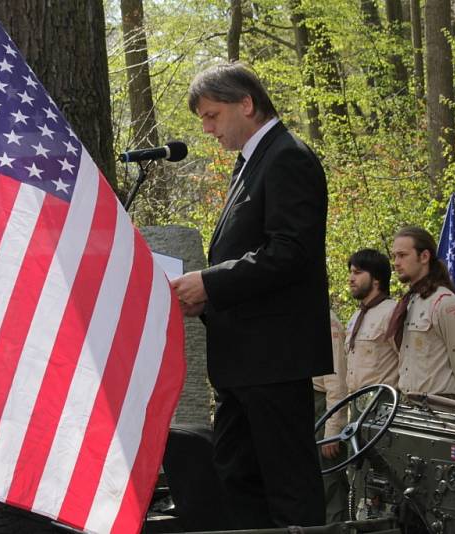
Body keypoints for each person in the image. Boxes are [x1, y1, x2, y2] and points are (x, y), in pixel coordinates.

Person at [171, 62, 332, 528]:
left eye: (212, 115)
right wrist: (207, 296)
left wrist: (212, 282)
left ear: (246, 103)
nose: (206, 128)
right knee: (236, 479)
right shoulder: (250, 164)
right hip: (242, 360)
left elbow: (290, 251)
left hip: (274, 360)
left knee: (287, 487)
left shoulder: (288, 157)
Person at [387, 226, 455, 403]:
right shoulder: (409, 302)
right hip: (410, 402)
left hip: (439, 405)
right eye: (394, 256)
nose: (396, 262)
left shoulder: (445, 303)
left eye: (403, 255)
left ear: (424, 257)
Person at [345, 249, 399, 395]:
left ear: (376, 278)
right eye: (350, 272)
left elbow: (408, 362)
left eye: (357, 273)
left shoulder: (392, 312)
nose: (351, 278)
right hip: (357, 402)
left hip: (383, 403)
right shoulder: (355, 317)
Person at [312, 310, 348, 523]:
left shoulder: (327, 321)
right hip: (305, 408)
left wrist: (332, 430)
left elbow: (337, 382)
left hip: (322, 408)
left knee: (330, 485)